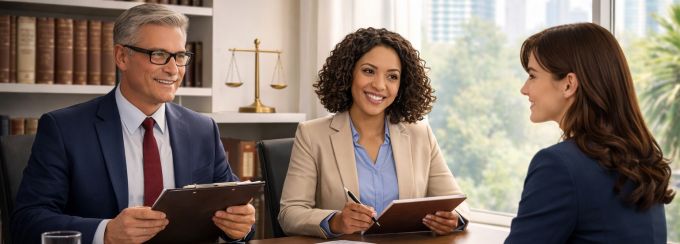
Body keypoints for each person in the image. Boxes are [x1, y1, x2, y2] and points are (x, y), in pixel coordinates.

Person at [10, 4, 255, 244]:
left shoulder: (203, 129)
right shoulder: (63, 129)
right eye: (158, 54)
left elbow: (235, 212)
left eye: (180, 56)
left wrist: (240, 227)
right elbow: (26, 222)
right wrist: (105, 233)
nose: (173, 69)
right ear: (121, 57)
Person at [278, 27, 470, 238]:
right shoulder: (311, 135)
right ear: (348, 72)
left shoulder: (420, 135)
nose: (380, 85)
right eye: (369, 71)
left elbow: (458, 202)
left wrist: (453, 219)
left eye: (392, 76)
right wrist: (336, 221)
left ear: (402, 84)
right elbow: (290, 214)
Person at [505, 22, 675, 244]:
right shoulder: (642, 158)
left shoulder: (558, 165)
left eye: (533, 76)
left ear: (569, 85)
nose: (524, 89)